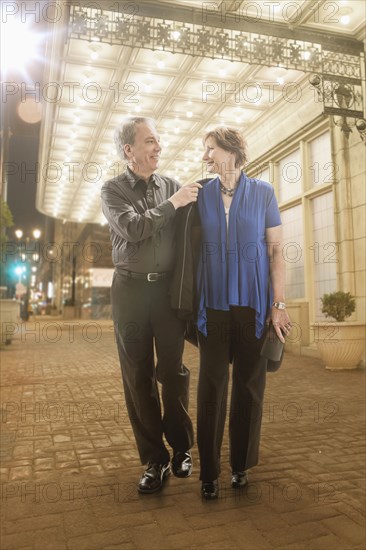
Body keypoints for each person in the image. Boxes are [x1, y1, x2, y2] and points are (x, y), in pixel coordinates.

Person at [100, 116, 201, 494]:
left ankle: (181, 450)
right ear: (129, 150)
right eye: (150, 141)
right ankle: (154, 460)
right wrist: (172, 204)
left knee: (173, 371)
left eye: (158, 141)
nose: (158, 147)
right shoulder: (112, 190)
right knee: (137, 377)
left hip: (166, 295)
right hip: (129, 292)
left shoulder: (172, 184)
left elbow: (193, 234)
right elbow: (134, 229)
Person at [195, 126, 292, 499]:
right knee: (211, 386)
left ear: (231, 151)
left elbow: (276, 252)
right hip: (213, 307)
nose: (206, 157)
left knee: (249, 387)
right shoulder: (200, 193)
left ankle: (239, 467)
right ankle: (208, 472)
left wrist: (278, 304)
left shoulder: (264, 193)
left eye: (210, 149)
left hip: (253, 306)